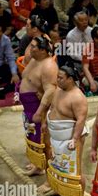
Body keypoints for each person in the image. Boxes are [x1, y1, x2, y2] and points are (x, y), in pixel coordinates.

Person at [37, 65, 88, 196]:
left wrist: (75, 138)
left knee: (75, 169)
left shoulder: (78, 97)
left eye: (60, 78)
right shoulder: (58, 90)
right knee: (57, 164)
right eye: (57, 77)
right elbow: (51, 108)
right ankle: (57, 188)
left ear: (70, 79)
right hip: (56, 135)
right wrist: (45, 122)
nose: (57, 80)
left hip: (71, 137)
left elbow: (81, 120)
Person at [18, 36, 57, 176]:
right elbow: (25, 61)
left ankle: (49, 174)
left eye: (34, 46)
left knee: (43, 142)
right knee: (32, 137)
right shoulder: (35, 59)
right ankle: (38, 166)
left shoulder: (48, 66)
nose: (30, 48)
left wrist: (39, 111)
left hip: (37, 107)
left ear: (42, 50)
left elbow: (50, 90)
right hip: (28, 106)